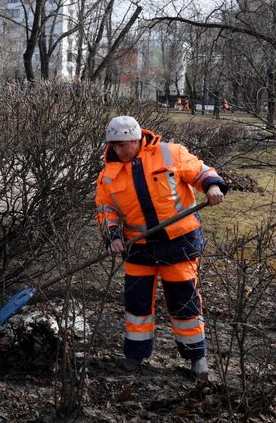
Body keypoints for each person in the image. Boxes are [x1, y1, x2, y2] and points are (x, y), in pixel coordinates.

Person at [94, 116, 227, 381]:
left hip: (179, 242)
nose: (119, 150)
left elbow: (200, 172)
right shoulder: (108, 174)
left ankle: (196, 356)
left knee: (183, 301)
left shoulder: (171, 153)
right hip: (138, 248)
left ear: (136, 138)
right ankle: (136, 353)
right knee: (136, 302)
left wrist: (212, 186)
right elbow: (105, 208)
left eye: (124, 144)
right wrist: (112, 236)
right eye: (114, 145)